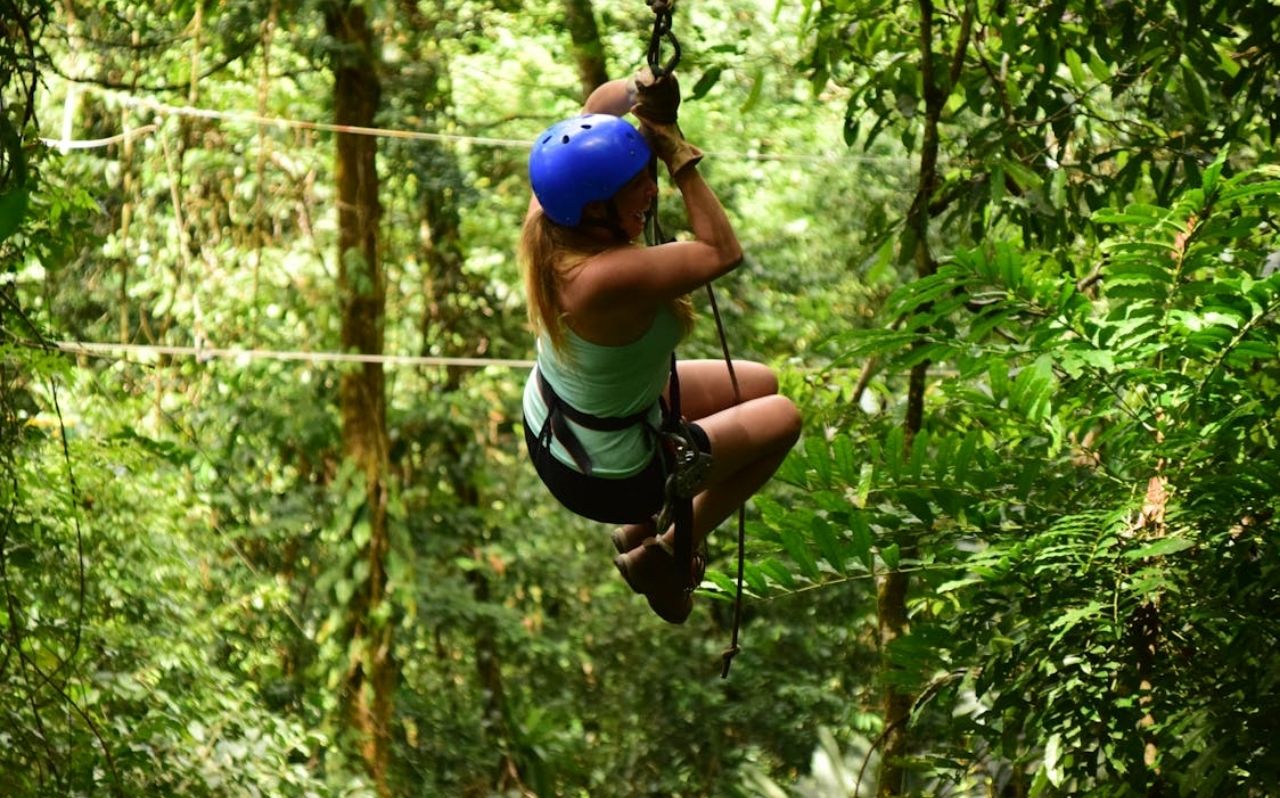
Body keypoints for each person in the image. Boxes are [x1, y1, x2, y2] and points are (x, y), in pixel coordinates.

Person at [520, 70, 801, 623]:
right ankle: (669, 551)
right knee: (783, 418)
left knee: (760, 383)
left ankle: (638, 531)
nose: (650, 193)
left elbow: (595, 109)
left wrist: (639, 87)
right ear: (596, 208)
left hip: (559, 423)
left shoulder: (552, 217)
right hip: (605, 475)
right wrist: (675, 152)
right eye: (635, 186)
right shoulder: (600, 279)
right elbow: (721, 251)